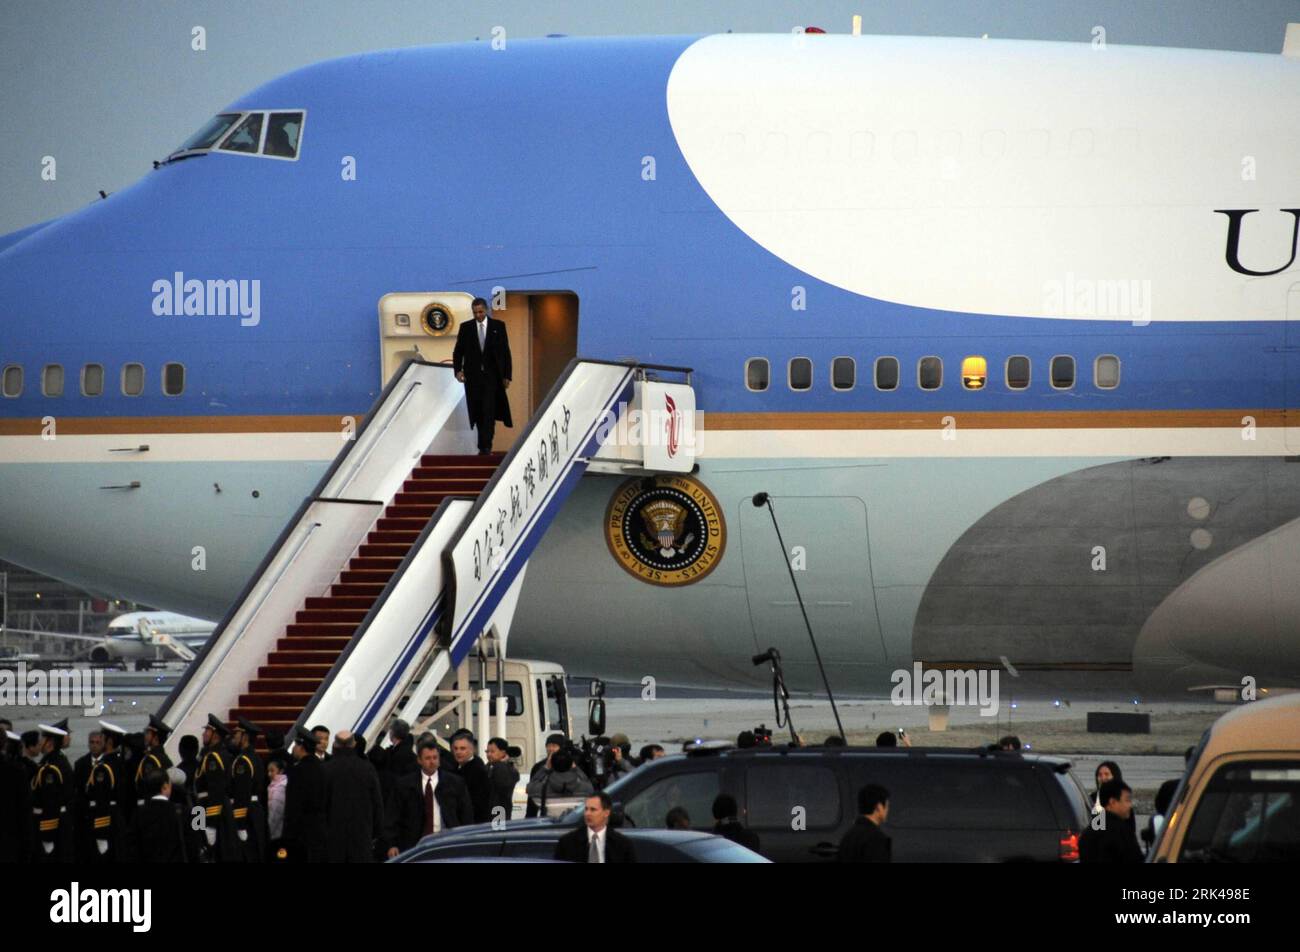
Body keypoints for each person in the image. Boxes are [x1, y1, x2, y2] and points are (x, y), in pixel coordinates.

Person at [386, 740, 473, 856]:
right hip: (414, 844)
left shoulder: (455, 783)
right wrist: (392, 844)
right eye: (427, 758)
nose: (432, 762)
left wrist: (466, 840)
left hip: (448, 841)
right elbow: (393, 815)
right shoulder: (404, 785)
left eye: (435, 758)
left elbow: (466, 814)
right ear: (419, 760)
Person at [452, 296, 512, 455]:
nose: (478, 315)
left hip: (493, 377)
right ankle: (483, 444)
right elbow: (458, 351)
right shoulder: (466, 328)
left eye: (480, 312)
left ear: (486, 310)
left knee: (489, 410)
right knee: (478, 411)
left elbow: (506, 352)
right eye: (475, 312)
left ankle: (485, 446)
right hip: (474, 378)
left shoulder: (498, 326)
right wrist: (458, 370)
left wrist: (507, 375)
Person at [322, 730, 386, 862]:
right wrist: (376, 833)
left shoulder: (326, 770)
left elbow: (320, 807)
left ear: (335, 745)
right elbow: (377, 804)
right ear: (354, 744)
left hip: (333, 841)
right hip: (362, 838)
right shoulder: (367, 769)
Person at [194, 713, 238, 862]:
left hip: (211, 809)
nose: (203, 734)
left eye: (207, 731)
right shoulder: (210, 754)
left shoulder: (214, 757)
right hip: (201, 807)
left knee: (211, 850)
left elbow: (216, 789)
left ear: (215, 735)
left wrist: (211, 824)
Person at [32, 720, 75, 862]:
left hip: (52, 825)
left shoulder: (51, 768)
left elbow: (51, 802)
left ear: (49, 742)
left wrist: (47, 834)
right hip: (59, 822)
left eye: (42, 739)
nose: (40, 743)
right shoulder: (53, 762)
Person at [124, 768, 188, 863]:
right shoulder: (183, 811)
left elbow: (132, 847)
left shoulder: (138, 814)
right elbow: (192, 845)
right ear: (165, 786)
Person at [86, 720, 128, 863]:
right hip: (118, 818)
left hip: (106, 823)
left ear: (109, 741)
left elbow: (101, 799)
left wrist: (100, 832)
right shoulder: (120, 763)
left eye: (102, 739)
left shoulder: (103, 768)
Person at [553, 792, 636, 863]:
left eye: (593, 810)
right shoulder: (567, 843)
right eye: (586, 809)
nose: (587, 814)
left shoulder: (623, 845)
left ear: (606, 813)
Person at [284, 728, 328, 863]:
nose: (294, 749)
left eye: (296, 745)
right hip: (320, 829)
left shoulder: (297, 771)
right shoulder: (323, 768)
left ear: (301, 747)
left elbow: (293, 806)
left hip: (301, 831)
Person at [229, 717, 268, 862]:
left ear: (244, 737)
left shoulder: (242, 761)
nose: (234, 736)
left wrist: (240, 824)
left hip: (246, 814)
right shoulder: (255, 758)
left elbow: (241, 793)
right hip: (254, 811)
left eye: (238, 734)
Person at [1079, 779, 1144, 864]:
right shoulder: (1122, 832)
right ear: (1112, 802)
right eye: (1127, 800)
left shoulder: (1088, 832)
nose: (1130, 805)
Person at [526, 747, 593, 815]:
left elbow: (530, 786)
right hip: (574, 824)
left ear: (551, 764)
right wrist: (576, 768)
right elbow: (589, 784)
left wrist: (545, 768)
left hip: (551, 825)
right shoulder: (585, 789)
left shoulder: (541, 790)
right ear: (571, 764)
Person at [838, 784, 891, 862]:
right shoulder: (876, 838)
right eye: (887, 806)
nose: (887, 810)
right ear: (879, 807)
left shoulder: (848, 835)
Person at [450, 732, 492, 824]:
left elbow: (478, 803)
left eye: (462, 748)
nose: (458, 752)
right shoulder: (457, 766)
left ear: (471, 749)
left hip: (473, 825)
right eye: (456, 748)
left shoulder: (477, 771)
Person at [134, 714, 174, 807]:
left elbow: (148, 786)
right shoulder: (165, 758)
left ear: (155, 738)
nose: (145, 736)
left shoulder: (151, 760)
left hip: (149, 805)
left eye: (148, 733)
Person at [526, 733, 566, 817]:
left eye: (554, 746)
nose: (550, 749)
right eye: (548, 746)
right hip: (545, 813)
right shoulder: (538, 767)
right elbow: (532, 794)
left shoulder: (568, 765)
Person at [485, 737, 519, 820]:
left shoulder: (503, 769)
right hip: (495, 813)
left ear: (503, 753)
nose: (489, 754)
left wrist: (500, 765)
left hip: (498, 813)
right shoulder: (491, 767)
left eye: (492, 751)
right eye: (487, 751)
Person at [265, 757, 288, 861]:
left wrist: (269, 831)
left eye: (272, 771)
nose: (269, 774)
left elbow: (275, 812)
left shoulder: (279, 788)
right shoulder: (274, 786)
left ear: (280, 771)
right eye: (268, 771)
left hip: (278, 829)